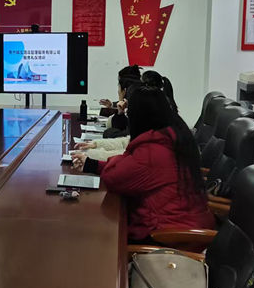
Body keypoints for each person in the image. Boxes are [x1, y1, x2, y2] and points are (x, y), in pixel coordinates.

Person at [72, 84, 214, 243]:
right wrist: (93, 165)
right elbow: (131, 169)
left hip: (170, 237)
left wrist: (116, 158)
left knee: (97, 237)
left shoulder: (154, 150)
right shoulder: (172, 137)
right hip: (180, 224)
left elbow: (114, 178)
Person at [98, 65, 142, 138]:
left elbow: (120, 127)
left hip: (136, 136)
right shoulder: (140, 90)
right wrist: (112, 105)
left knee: (108, 133)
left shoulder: (132, 95)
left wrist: (120, 99)